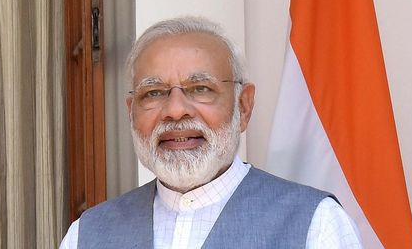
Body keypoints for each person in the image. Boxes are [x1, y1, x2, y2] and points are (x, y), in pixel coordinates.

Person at [60, 16, 361, 249]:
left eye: (200, 89)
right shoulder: (87, 235)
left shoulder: (315, 224)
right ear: (131, 112)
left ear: (243, 107)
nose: (175, 110)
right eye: (153, 93)